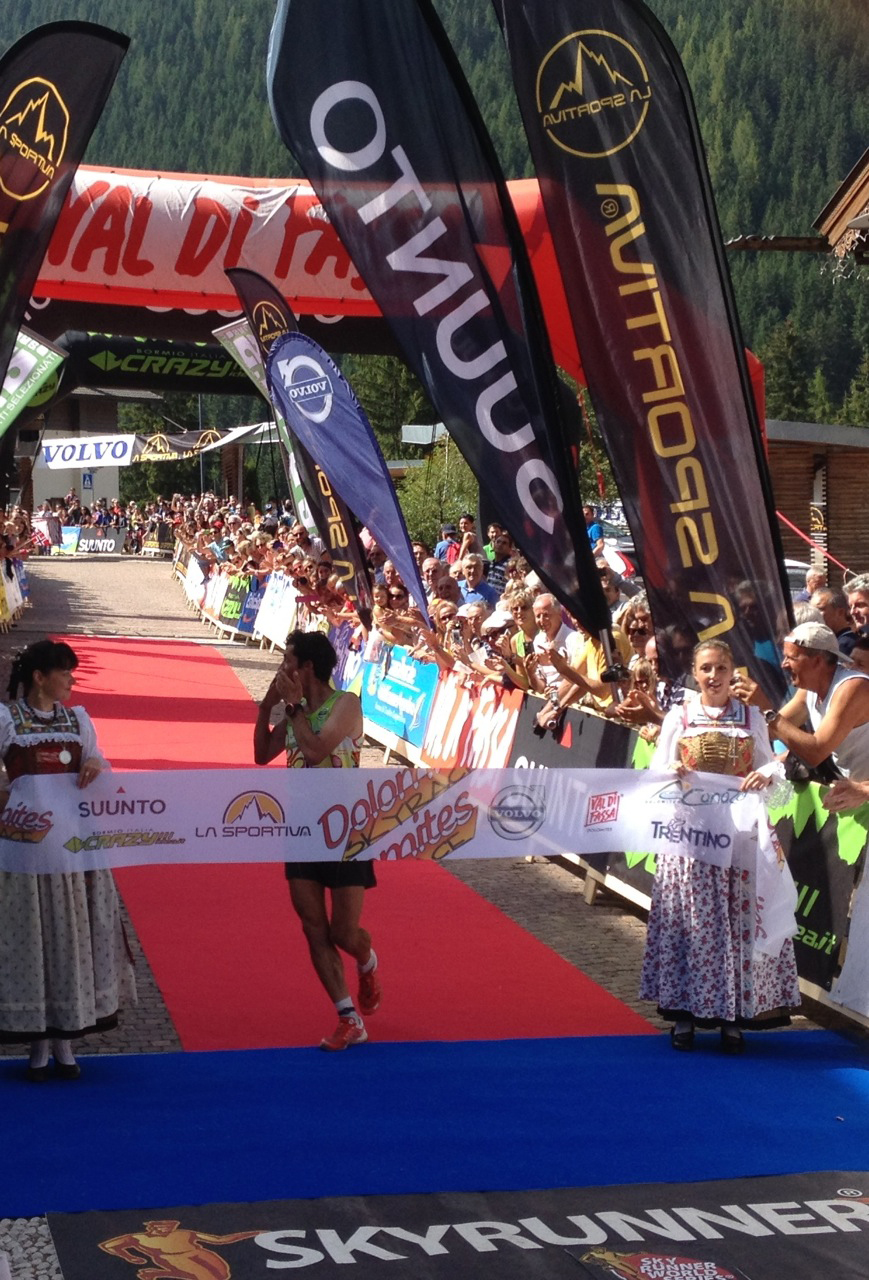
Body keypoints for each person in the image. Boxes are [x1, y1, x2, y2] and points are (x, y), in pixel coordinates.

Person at [640, 639, 800, 1054]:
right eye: (706, 669)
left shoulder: (751, 717)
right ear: (695, 673)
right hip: (691, 836)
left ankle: (733, 1016)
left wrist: (766, 775)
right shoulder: (679, 716)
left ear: (733, 672)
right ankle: (684, 1014)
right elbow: (656, 771)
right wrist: (672, 769)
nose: (714, 676)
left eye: (721, 669)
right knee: (690, 923)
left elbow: (771, 768)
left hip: (738, 835)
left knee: (735, 923)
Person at [0, 640, 135, 1080]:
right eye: (65, 673)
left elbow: (100, 764)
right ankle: (39, 1045)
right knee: (34, 940)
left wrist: (95, 763)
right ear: (40, 678)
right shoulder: (7, 720)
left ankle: (65, 1041)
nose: (72, 681)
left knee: (69, 939)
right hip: (26, 853)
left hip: (74, 851)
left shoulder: (78, 720)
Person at [253, 629, 379, 1051]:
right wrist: (265, 708)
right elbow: (262, 755)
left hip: (345, 829)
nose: (281, 668)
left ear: (306, 667)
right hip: (302, 827)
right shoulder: (296, 713)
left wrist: (291, 709)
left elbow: (318, 750)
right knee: (312, 926)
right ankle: (348, 1017)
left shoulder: (346, 704)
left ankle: (367, 960)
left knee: (344, 933)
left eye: (287, 661)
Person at [734, 621, 869, 782]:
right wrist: (742, 705)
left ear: (817, 661)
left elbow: (815, 754)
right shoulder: (810, 689)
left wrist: (766, 709)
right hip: (852, 788)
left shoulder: (853, 687)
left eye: (791, 658)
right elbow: (771, 731)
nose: (783, 665)